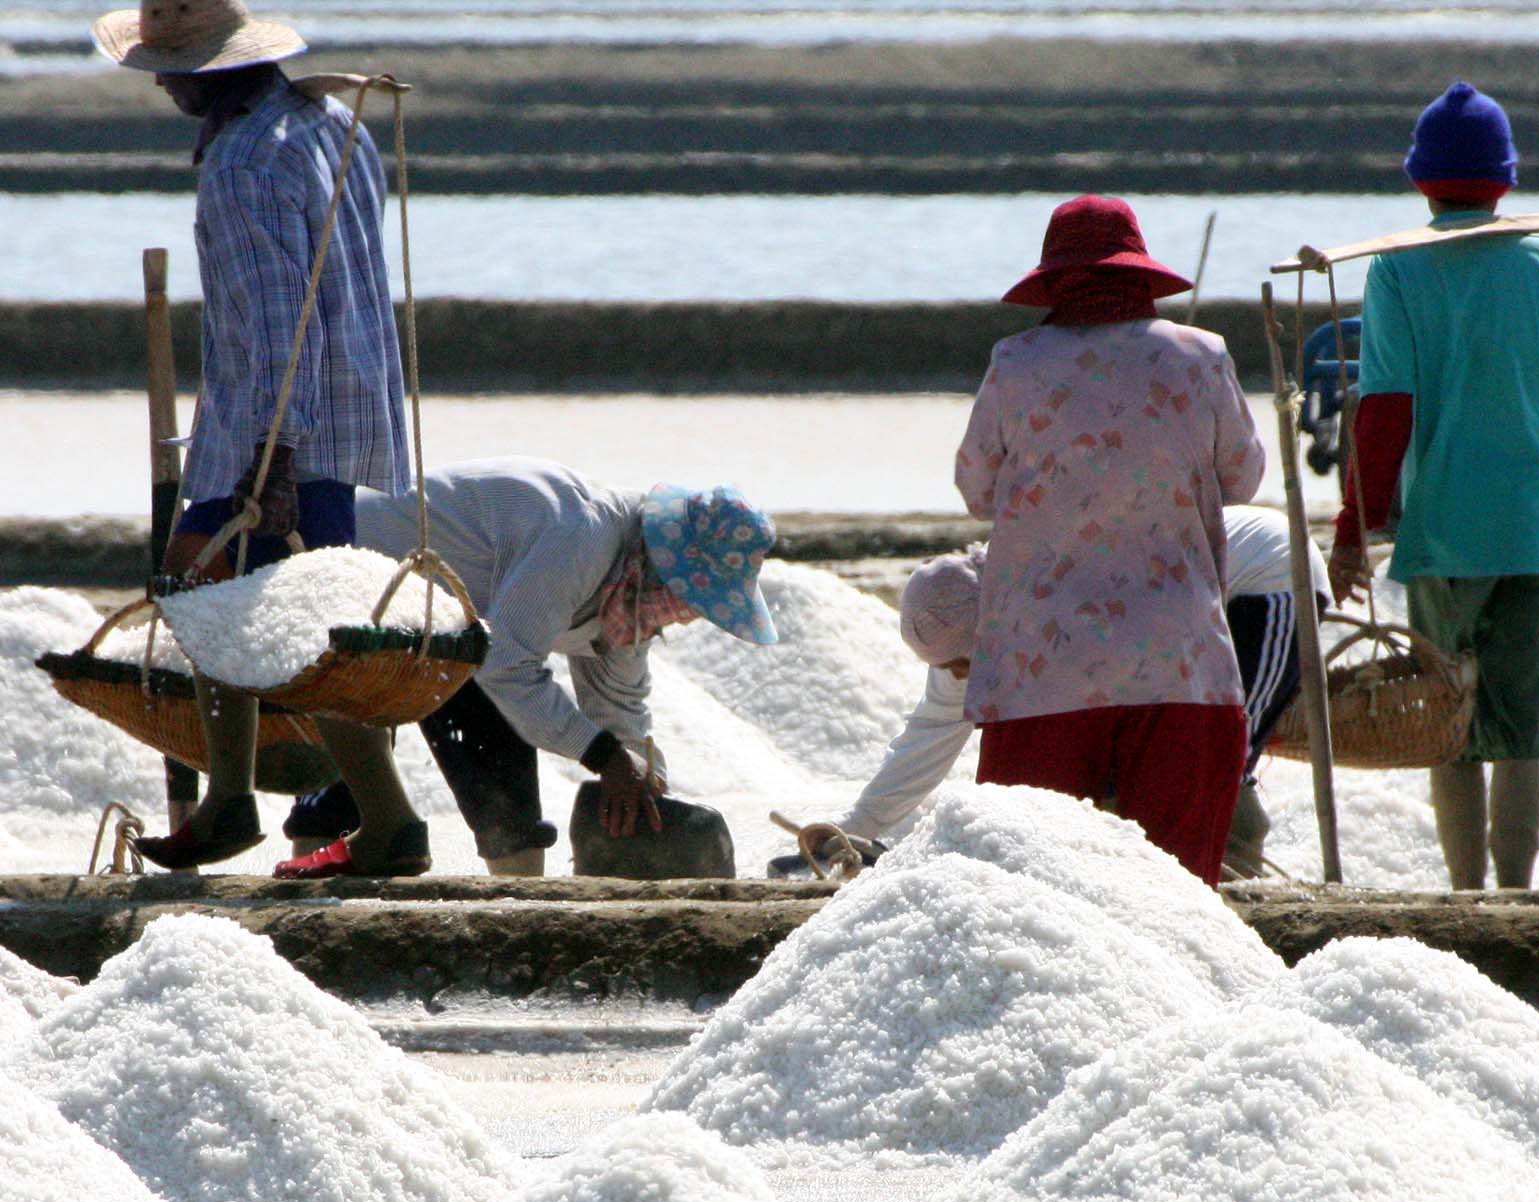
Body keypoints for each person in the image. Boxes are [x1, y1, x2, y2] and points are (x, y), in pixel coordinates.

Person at [98, 0, 420, 873]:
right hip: (343, 406)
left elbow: (280, 328)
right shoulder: (331, 120)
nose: (162, 82)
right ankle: (232, 800)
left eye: (172, 69)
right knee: (263, 612)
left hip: (274, 427)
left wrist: (268, 465)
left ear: (213, 73)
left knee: (244, 606)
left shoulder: (243, 163)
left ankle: (384, 824)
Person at [1328, 81, 1539, 892]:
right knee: (1523, 722)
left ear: (1419, 180)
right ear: (1507, 179)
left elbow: (1383, 414)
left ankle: (1467, 895)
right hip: (1536, 531)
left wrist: (1353, 527)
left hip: (1443, 535)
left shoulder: (1399, 271)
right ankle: (1518, 896)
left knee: (1448, 717)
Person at [955, 195, 1267, 885]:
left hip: (1042, 667)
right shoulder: (1201, 354)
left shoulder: (1015, 362)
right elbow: (1242, 478)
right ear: (1139, 275)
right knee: (1176, 895)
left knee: (1030, 893)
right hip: (1178, 659)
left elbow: (977, 490)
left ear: (1056, 283)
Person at [277, 459, 778, 877]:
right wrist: (606, 758)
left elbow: (618, 701)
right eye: (687, 601)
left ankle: (512, 896)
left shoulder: (629, 593)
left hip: (460, 620)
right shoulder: (581, 539)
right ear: (661, 567)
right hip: (350, 564)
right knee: (353, 761)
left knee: (509, 810)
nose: (685, 619)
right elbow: (507, 664)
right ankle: (311, 897)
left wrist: (640, 773)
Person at [775, 503, 1322, 879]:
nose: (962, 678)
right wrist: (850, 830)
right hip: (1182, 607)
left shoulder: (1063, 604)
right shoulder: (972, 628)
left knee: (1224, 745)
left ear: (993, 633)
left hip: (1267, 578)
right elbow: (927, 738)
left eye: (966, 663)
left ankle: (1234, 865)